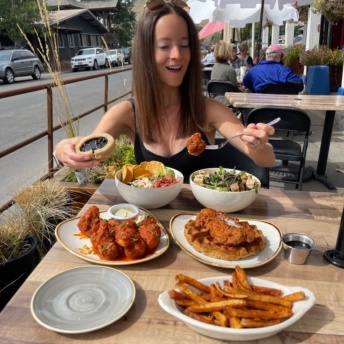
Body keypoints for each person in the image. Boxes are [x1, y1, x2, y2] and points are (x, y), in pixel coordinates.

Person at [54, 0, 275, 181]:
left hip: (200, 224)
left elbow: (266, 159)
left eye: (184, 44)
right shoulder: (127, 113)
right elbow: (90, 149)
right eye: (164, 46)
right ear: (146, 52)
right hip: (151, 226)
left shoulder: (207, 110)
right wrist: (63, 152)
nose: (177, 55)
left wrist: (258, 145)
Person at [210, 40, 239, 107]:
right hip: (227, 102)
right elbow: (235, 91)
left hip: (215, 100)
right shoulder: (230, 70)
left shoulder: (214, 67)